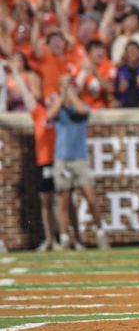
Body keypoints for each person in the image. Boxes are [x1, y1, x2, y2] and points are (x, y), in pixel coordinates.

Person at [50, 75, 109, 249]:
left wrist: (71, 94)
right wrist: (62, 96)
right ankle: (64, 238)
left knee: (90, 197)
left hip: (80, 158)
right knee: (63, 200)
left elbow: (82, 111)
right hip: (62, 158)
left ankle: (100, 232)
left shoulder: (82, 106)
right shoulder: (58, 108)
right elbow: (49, 115)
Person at [10, 61, 61, 251]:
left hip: (60, 161)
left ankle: (66, 236)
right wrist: (16, 75)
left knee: (64, 201)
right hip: (44, 161)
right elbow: (25, 95)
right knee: (46, 202)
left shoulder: (63, 115)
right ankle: (50, 238)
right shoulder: (39, 113)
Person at [114, 41, 139, 108]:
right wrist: (113, 100)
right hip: (123, 105)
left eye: (135, 50)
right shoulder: (120, 70)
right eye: (130, 51)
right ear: (126, 53)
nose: (133, 53)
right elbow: (114, 88)